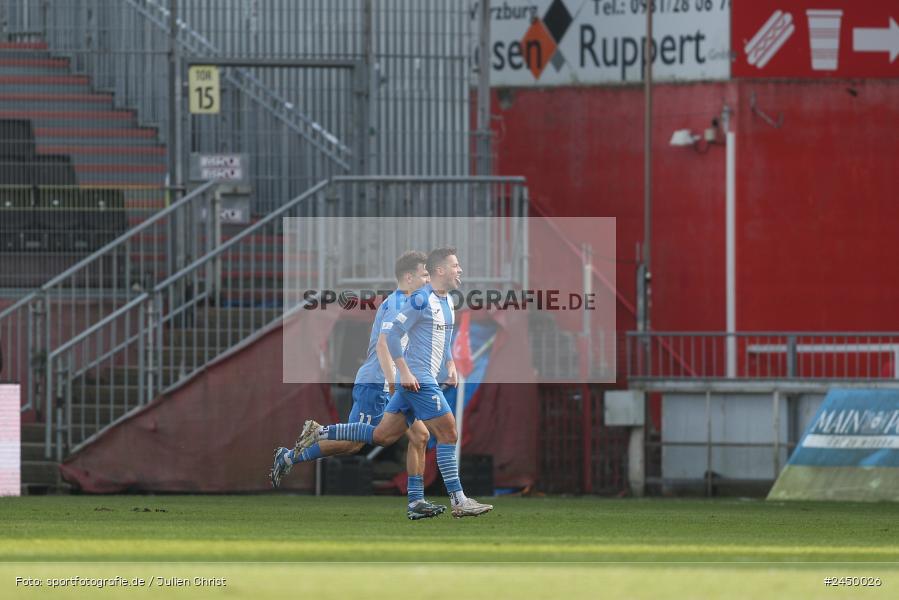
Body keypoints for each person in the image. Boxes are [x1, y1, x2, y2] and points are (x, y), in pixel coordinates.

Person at [296, 247, 493, 518]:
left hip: (412, 380)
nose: (460, 270)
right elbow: (389, 338)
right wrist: (402, 373)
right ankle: (458, 500)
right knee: (448, 434)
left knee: (382, 436)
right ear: (439, 271)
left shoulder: (445, 301)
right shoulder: (417, 301)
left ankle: (321, 433)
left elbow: (444, 336)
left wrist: (449, 363)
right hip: (415, 380)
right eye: (455, 265)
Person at [271, 250, 446, 520]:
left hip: (392, 382)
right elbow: (384, 343)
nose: (427, 279)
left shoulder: (411, 303)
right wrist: (391, 381)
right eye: (424, 274)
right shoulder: (397, 303)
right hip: (377, 383)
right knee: (354, 444)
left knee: (419, 436)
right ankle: (314, 436)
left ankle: (415, 501)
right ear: (409, 276)